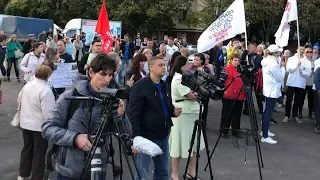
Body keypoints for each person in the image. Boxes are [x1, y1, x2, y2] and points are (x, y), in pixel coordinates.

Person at [42, 53, 126, 179]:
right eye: (103, 74)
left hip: (99, 168)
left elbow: (125, 134)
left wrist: (120, 115)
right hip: (69, 171)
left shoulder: (112, 99)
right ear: (91, 72)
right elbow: (48, 128)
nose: (107, 80)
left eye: (110, 75)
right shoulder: (69, 97)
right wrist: (75, 138)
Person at [128, 57, 182, 180]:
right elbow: (133, 114)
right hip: (146, 137)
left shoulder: (164, 85)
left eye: (165, 65)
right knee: (141, 173)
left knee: (162, 173)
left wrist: (173, 111)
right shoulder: (140, 86)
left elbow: (165, 105)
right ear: (151, 67)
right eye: (160, 65)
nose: (164, 67)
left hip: (164, 135)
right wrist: (135, 139)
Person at [18, 65, 55, 180]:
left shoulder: (28, 85)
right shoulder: (46, 90)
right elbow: (49, 113)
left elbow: (19, 99)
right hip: (39, 126)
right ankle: (37, 176)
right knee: (39, 153)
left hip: (25, 123)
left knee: (27, 149)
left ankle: (23, 174)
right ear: (48, 75)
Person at [169, 55, 204, 180]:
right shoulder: (178, 78)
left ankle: (191, 172)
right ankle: (175, 174)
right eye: (188, 63)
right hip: (182, 115)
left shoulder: (188, 77)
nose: (190, 65)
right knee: (177, 146)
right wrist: (195, 93)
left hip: (192, 114)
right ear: (181, 65)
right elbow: (191, 95)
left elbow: (195, 94)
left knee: (193, 145)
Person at [219, 54, 245, 138]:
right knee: (227, 114)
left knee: (237, 115)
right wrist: (224, 90)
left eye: (238, 60)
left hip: (239, 95)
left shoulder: (241, 70)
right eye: (235, 60)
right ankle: (224, 130)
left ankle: (235, 131)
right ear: (231, 60)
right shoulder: (226, 70)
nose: (237, 62)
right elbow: (221, 82)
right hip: (229, 95)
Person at [260, 45, 283, 144]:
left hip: (268, 89)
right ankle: (265, 136)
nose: (280, 53)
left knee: (266, 112)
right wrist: (282, 68)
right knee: (268, 113)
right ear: (275, 53)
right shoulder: (273, 64)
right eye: (278, 52)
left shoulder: (266, 60)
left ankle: (264, 131)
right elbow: (279, 78)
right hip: (272, 91)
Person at [283, 46, 311, 123]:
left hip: (301, 84)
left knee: (297, 101)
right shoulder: (291, 59)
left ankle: (295, 115)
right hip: (291, 82)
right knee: (289, 100)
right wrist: (296, 66)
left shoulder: (307, 62)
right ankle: (287, 115)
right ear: (297, 50)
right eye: (300, 49)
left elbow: (308, 74)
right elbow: (288, 69)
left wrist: (302, 72)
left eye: (303, 50)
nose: (301, 51)